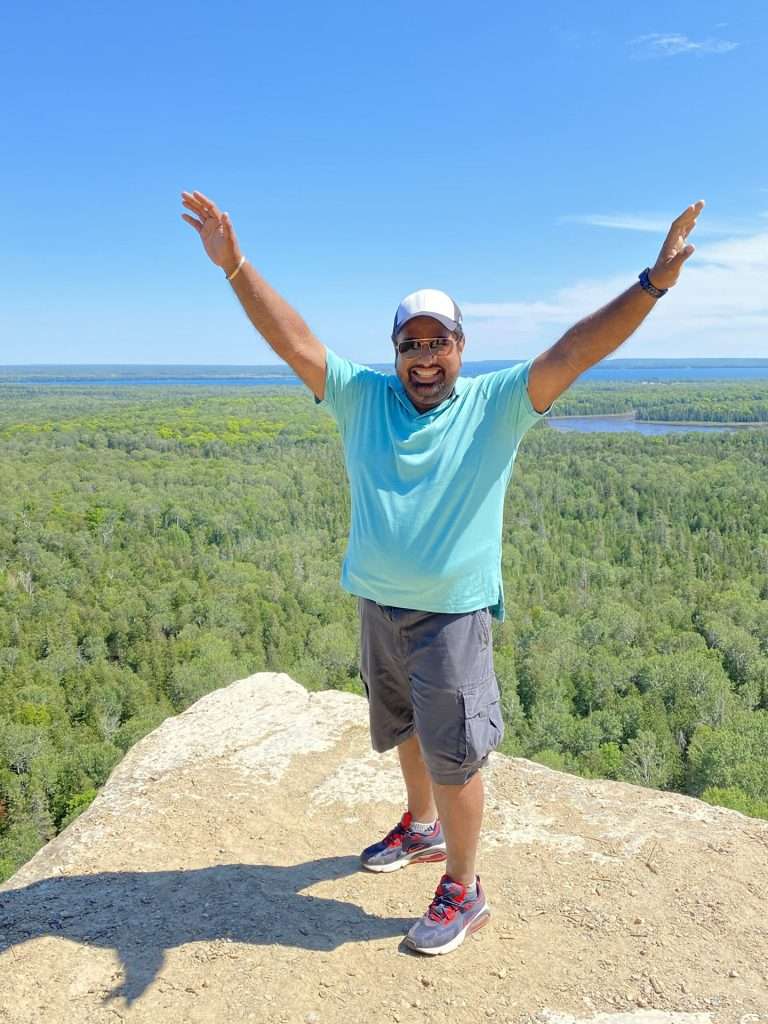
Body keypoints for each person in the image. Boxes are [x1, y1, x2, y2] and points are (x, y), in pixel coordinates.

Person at [181, 190, 705, 955]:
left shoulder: (496, 403)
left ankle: (466, 886)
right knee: (405, 730)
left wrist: (652, 283)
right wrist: (235, 268)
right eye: (410, 347)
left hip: (452, 617)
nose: (424, 360)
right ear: (394, 353)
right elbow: (292, 339)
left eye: (438, 344)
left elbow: (575, 349)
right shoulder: (363, 397)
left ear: (461, 347)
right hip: (379, 606)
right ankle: (421, 828)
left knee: (455, 755)